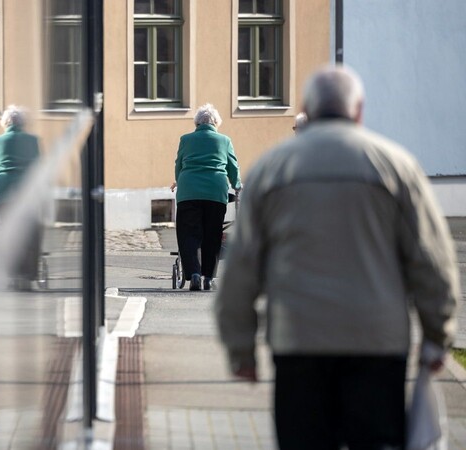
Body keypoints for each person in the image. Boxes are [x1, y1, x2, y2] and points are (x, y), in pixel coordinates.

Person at [214, 65, 459, 449]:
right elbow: (431, 260)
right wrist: (437, 336)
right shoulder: (396, 166)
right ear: (359, 109)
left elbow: (242, 267)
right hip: (377, 341)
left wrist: (240, 347)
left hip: (298, 339)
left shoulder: (271, 169)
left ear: (306, 108)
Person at [170, 103, 241, 291]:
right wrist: (238, 186)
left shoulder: (186, 139)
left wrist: (178, 180)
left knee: (188, 234)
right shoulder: (224, 140)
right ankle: (208, 277)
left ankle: (193, 273)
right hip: (215, 192)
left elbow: (179, 165)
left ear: (197, 123)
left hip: (188, 192)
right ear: (216, 122)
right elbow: (233, 167)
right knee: (212, 234)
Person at [0, 105, 41, 290]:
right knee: (30, 234)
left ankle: (11, 275)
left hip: (5, 189)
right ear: (23, 122)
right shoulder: (32, 141)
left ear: (5, 122)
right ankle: (28, 275)